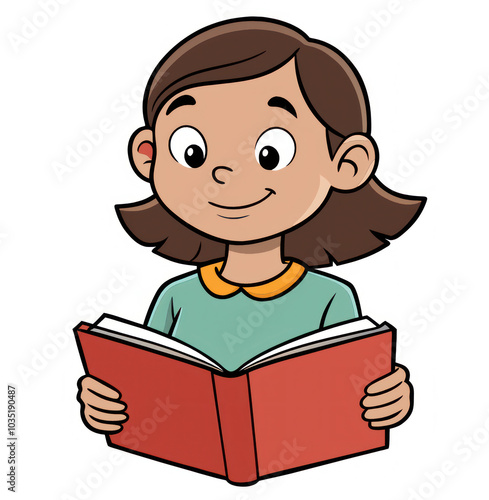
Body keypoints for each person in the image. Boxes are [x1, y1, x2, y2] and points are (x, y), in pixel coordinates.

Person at [77, 17, 424, 436]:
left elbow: (352, 398)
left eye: (270, 153)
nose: (225, 171)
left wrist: (387, 399)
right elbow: (148, 392)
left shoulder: (332, 300)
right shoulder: (174, 299)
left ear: (346, 164)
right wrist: (110, 404)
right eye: (192, 151)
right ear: (149, 157)